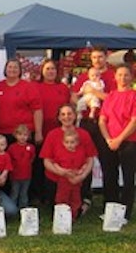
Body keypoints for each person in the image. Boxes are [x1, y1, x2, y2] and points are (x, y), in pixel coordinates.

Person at [70, 46, 117, 212]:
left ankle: (111, 202)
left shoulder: (112, 76)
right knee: (84, 161)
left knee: (108, 162)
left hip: (106, 123)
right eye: (94, 57)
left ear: (106, 58)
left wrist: (95, 93)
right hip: (86, 123)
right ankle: (84, 199)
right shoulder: (84, 76)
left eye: (100, 57)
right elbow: (74, 95)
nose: (97, 60)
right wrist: (82, 102)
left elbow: (114, 99)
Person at [40, 104, 97, 212]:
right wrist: (61, 172)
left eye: (69, 114)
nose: (66, 117)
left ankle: (84, 201)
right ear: (59, 117)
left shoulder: (83, 134)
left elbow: (90, 159)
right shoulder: (52, 135)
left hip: (78, 178)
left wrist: (82, 175)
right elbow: (46, 161)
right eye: (63, 114)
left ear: (75, 116)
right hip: (57, 178)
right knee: (58, 211)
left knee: (76, 210)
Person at [98, 64, 136, 220]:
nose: (123, 78)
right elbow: (102, 120)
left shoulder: (134, 95)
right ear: (115, 77)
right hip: (109, 141)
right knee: (109, 175)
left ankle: (125, 212)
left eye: (126, 75)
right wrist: (108, 139)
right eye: (120, 75)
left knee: (128, 177)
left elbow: (134, 121)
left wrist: (119, 139)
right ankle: (110, 209)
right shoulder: (111, 96)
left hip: (129, 141)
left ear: (131, 77)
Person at [33, 59, 70, 204]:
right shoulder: (35, 87)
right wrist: (38, 131)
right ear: (42, 71)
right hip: (41, 130)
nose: (50, 71)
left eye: (53, 69)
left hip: (59, 132)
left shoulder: (63, 88)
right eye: (47, 68)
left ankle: (54, 196)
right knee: (39, 165)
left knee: (56, 164)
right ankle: (37, 195)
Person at [0, 59, 43, 144]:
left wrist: (38, 132)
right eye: (10, 67)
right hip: (2, 133)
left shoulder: (28, 87)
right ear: (5, 69)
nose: (12, 70)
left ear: (20, 71)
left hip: (23, 133)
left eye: (15, 67)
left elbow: (37, 110)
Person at [47, 130, 91, 220]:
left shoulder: (80, 152)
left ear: (77, 142)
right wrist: (62, 171)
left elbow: (85, 163)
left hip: (76, 181)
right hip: (63, 181)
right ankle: (61, 217)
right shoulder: (60, 152)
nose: (69, 144)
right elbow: (54, 163)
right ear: (63, 143)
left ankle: (73, 216)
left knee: (75, 200)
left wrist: (81, 172)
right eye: (67, 142)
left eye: (72, 142)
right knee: (62, 199)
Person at [8, 124, 36, 209]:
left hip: (27, 175)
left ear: (28, 136)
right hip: (15, 176)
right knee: (14, 193)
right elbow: (9, 160)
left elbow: (32, 158)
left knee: (24, 193)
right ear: (15, 135)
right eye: (20, 134)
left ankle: (23, 209)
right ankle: (13, 209)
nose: (22, 137)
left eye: (25, 135)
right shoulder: (12, 147)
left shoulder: (31, 147)